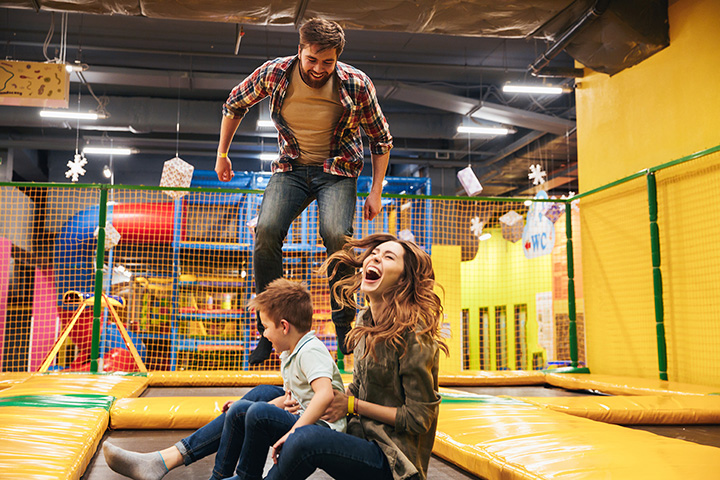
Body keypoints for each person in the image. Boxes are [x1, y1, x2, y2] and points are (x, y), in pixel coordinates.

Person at [214, 17, 393, 364]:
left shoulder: (356, 84)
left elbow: (381, 139)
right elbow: (234, 104)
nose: (318, 69)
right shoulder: (275, 73)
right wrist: (222, 154)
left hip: (337, 170)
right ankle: (268, 330)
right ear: (300, 51)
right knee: (266, 231)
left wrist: (376, 191)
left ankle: (345, 330)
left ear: (337, 57)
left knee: (336, 235)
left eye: (328, 62)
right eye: (312, 59)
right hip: (292, 168)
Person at [103, 278, 346, 480]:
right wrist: (244, 409)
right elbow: (291, 399)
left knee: (254, 411)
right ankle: (214, 476)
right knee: (242, 408)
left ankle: (242, 475)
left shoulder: (310, 350)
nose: (263, 334)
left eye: (265, 327)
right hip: (304, 421)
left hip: (320, 430)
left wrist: (291, 432)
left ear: (284, 326)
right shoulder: (288, 354)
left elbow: (324, 395)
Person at [257, 233, 448, 480]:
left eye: (388, 257)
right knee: (263, 399)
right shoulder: (365, 321)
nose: (375, 258)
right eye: (374, 254)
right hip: (359, 433)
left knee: (305, 439)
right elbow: (358, 386)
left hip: (393, 459)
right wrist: (319, 401)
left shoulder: (414, 333)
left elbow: (418, 418)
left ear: (402, 280)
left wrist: (351, 405)